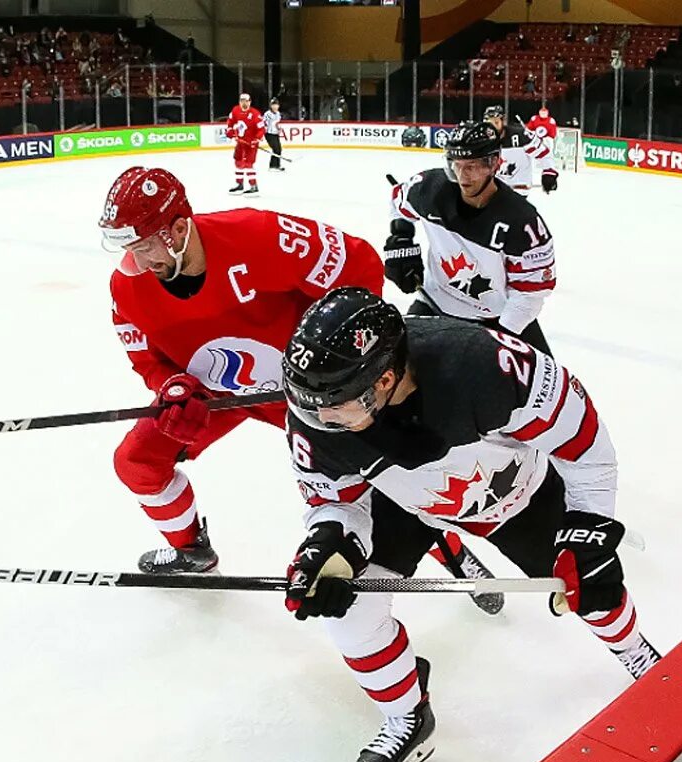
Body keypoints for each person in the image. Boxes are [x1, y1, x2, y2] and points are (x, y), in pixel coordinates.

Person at [280, 288, 661, 762]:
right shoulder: (321, 414)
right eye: (309, 408)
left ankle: (635, 650)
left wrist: (589, 528)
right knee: (351, 612)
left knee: (591, 587)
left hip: (512, 495)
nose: (320, 423)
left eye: (335, 410)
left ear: (386, 379)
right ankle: (408, 716)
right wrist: (328, 543)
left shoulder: (482, 364)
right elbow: (335, 499)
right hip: (405, 501)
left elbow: (584, 440)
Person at [97, 166, 505, 600]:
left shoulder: (258, 235)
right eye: (128, 250)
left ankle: (452, 551)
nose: (137, 263)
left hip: (316, 392)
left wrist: (343, 368)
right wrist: (174, 388)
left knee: (385, 471)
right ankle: (191, 549)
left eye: (143, 247)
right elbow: (146, 359)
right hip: (217, 397)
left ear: (178, 229)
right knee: (138, 459)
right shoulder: (127, 286)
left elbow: (360, 264)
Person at [383, 121, 557, 354]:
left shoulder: (523, 223)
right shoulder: (429, 189)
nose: (463, 176)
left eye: (472, 166)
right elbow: (399, 202)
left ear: (494, 163)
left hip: (493, 320)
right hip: (435, 303)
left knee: (543, 385)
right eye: (457, 165)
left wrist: (501, 337)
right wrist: (401, 241)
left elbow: (530, 293)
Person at [483, 105, 559, 194]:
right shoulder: (483, 140)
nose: (493, 127)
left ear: (503, 122)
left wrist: (548, 172)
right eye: (489, 124)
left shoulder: (521, 136)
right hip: (494, 192)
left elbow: (543, 153)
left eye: (496, 122)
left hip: (518, 191)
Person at [225, 92, 265, 194]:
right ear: (239, 102)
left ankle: (253, 185)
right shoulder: (235, 110)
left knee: (248, 164)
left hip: (251, 143)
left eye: (246, 101)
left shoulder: (255, 114)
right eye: (242, 101)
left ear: (250, 102)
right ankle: (239, 184)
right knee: (238, 161)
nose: (244, 103)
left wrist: (256, 139)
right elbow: (230, 122)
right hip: (240, 142)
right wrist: (229, 130)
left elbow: (261, 129)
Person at [262, 97, 284, 171]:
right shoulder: (267, 114)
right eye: (273, 105)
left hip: (275, 133)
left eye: (276, 105)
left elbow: (277, 123)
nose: (275, 106)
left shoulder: (278, 114)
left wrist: (279, 129)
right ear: (270, 106)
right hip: (269, 134)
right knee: (275, 149)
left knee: (279, 149)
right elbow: (263, 123)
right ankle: (272, 165)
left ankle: (277, 165)